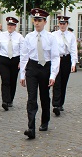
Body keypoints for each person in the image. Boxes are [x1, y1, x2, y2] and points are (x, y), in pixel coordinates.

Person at [20, 8, 60, 139]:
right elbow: (24, 56)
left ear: (45, 21)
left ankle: (45, 121)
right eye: (35, 20)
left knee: (44, 96)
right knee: (31, 98)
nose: (36, 23)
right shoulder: (29, 37)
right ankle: (31, 127)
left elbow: (55, 57)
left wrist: (53, 75)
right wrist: (22, 74)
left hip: (45, 68)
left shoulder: (51, 37)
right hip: (32, 68)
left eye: (39, 20)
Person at [51, 16, 77, 116]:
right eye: (61, 23)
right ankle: (56, 104)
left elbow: (74, 50)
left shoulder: (71, 35)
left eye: (64, 24)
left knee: (63, 82)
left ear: (67, 24)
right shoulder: (53, 35)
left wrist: (74, 63)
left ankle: (61, 103)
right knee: (56, 82)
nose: (62, 25)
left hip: (66, 59)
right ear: (58, 24)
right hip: (57, 58)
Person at [0, 17, 24, 110]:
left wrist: (21, 62)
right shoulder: (1, 35)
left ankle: (10, 99)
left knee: (12, 81)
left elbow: (23, 51)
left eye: (12, 25)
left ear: (15, 26)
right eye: (9, 24)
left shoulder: (19, 37)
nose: (10, 26)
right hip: (3, 60)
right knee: (5, 80)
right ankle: (5, 100)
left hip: (15, 60)